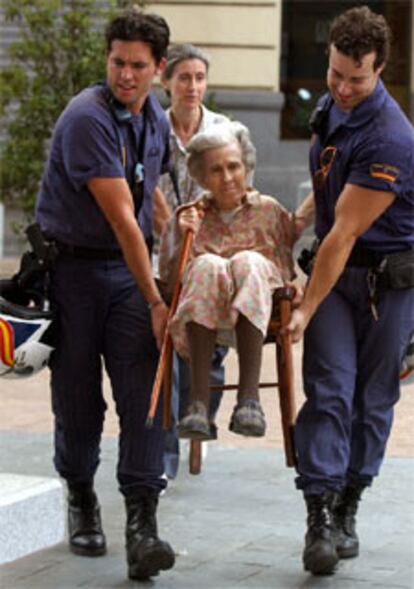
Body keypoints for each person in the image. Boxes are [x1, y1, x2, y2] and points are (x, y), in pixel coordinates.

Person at [35, 9, 176, 581]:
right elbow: (122, 218)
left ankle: (143, 525)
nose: (125, 74)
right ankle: (81, 495)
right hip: (71, 272)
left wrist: (180, 254)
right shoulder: (86, 118)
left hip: (127, 271)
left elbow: (155, 198)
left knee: (144, 395)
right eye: (117, 62)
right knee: (78, 400)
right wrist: (157, 301)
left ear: (158, 69)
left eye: (138, 65)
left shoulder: (156, 118)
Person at [287, 5, 414, 576]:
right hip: (337, 278)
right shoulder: (329, 109)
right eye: (335, 73)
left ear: (380, 69)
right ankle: (318, 513)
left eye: (355, 78)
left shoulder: (392, 137)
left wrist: (304, 307)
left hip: (386, 284)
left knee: (373, 401)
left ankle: (349, 505)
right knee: (330, 390)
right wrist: (295, 220)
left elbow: (345, 230)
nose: (341, 87)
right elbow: (330, 190)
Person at [159, 121, 295, 439]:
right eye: (216, 170)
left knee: (248, 262)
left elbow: (285, 274)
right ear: (202, 177)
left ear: (246, 166)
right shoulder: (189, 215)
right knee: (206, 264)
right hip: (203, 318)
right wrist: (181, 237)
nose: (228, 177)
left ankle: (249, 401)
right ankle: (199, 406)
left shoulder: (270, 211)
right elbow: (170, 282)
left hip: (261, 314)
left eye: (234, 166)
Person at [154, 44, 231, 477]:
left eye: (200, 78)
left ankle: (198, 418)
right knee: (166, 354)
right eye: (184, 78)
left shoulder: (223, 130)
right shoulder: (151, 127)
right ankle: (165, 460)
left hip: (210, 256)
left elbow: (235, 189)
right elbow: (146, 195)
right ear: (167, 81)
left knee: (210, 354)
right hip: (159, 255)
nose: (193, 87)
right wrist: (173, 231)